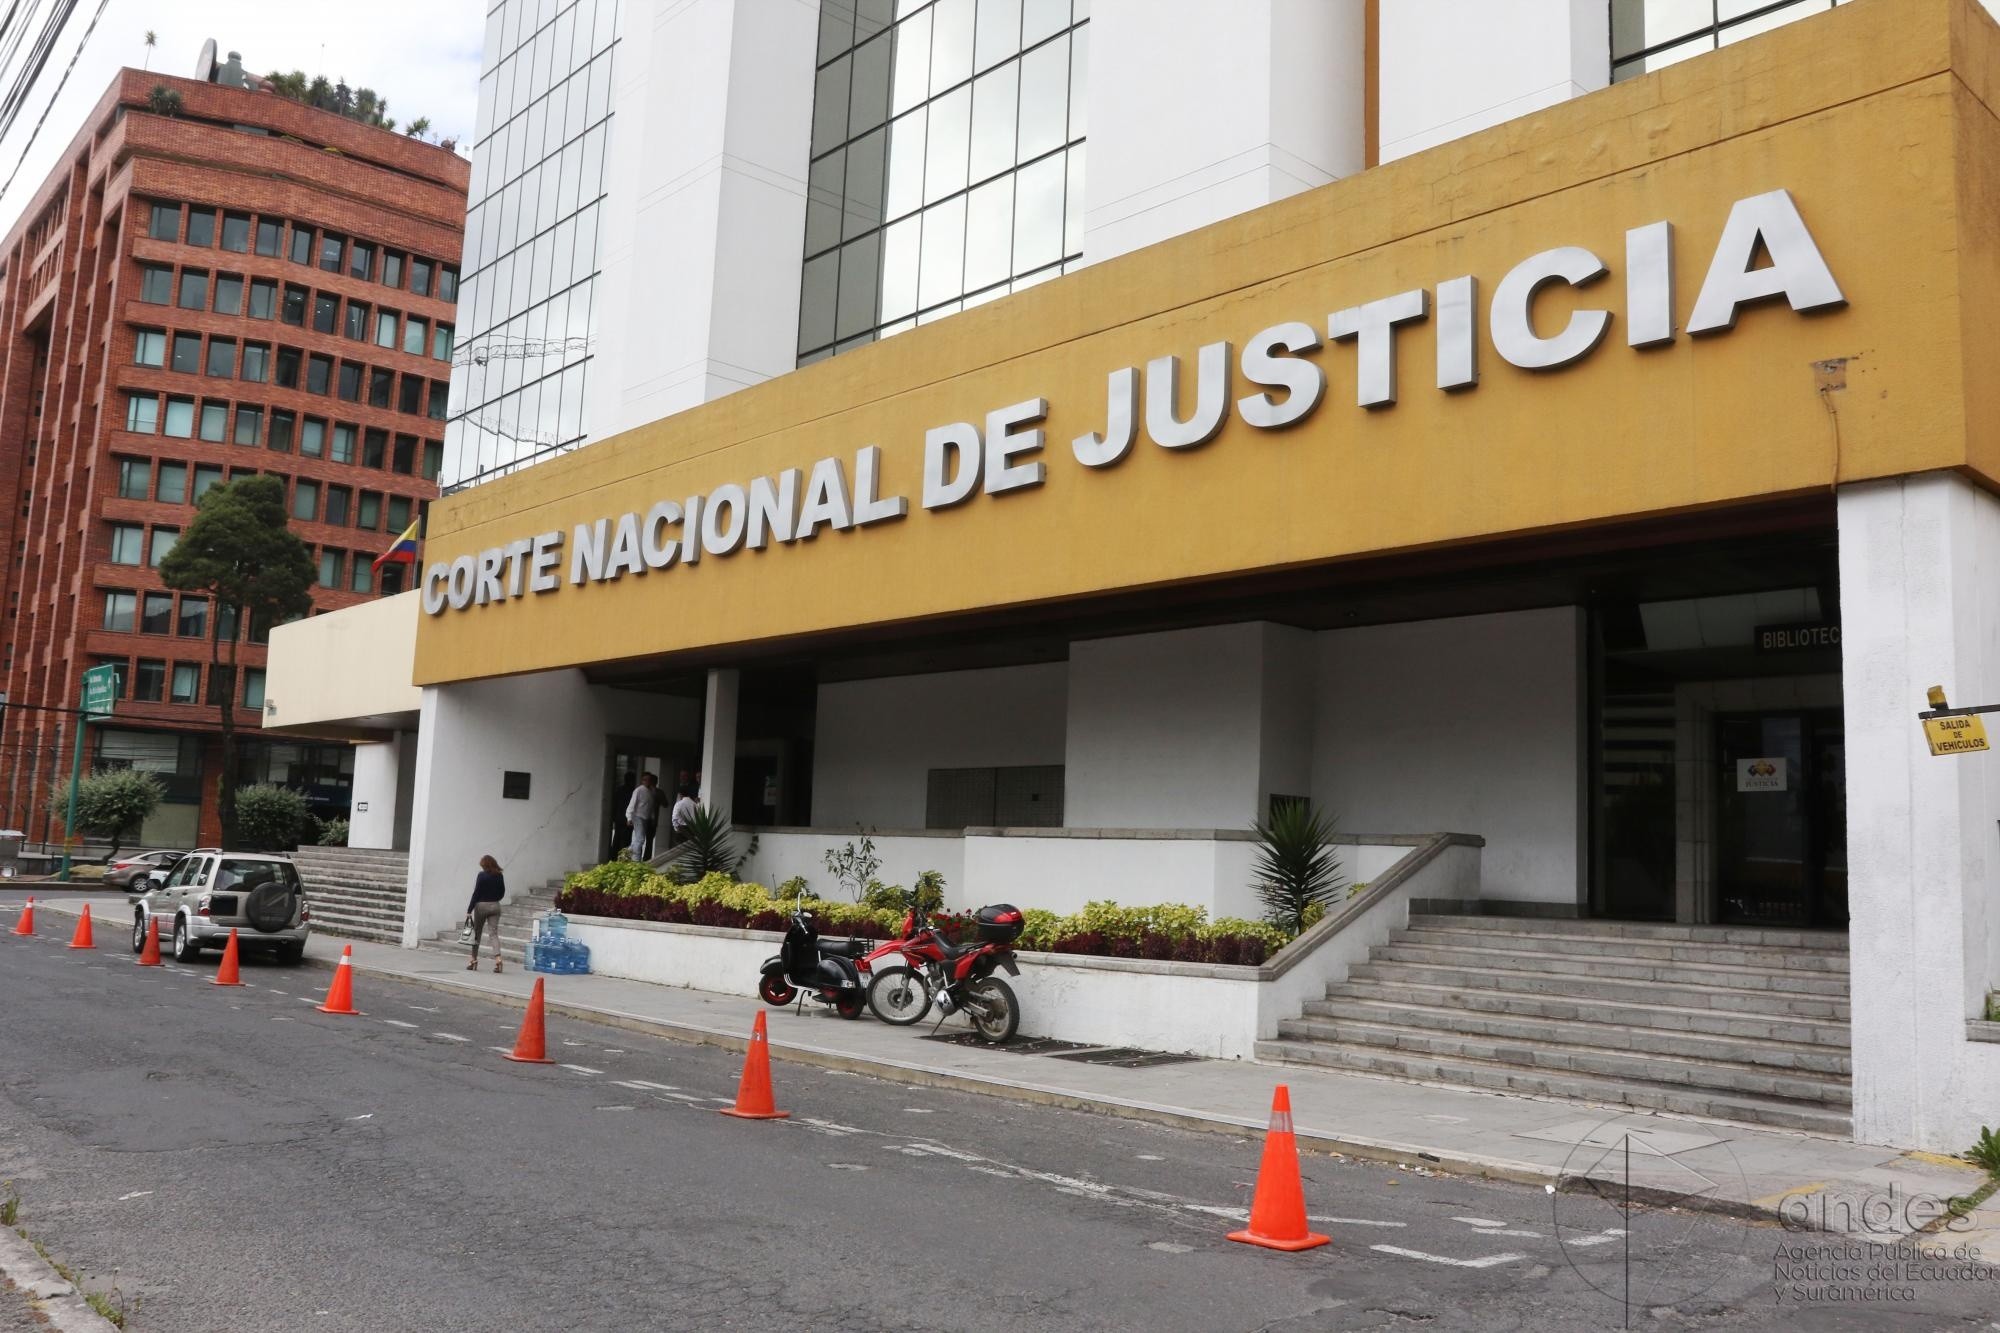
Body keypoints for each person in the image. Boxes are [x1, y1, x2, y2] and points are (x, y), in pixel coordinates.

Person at [466, 854, 506, 973]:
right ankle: (498, 958)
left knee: (477, 933)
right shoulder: (499, 875)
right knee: (493, 933)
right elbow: (502, 892)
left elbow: (476, 893)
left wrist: (469, 910)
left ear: (484, 865)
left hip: (481, 906)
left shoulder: (481, 875)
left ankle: (473, 960)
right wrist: (495, 899)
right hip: (495, 906)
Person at [625, 772, 659, 859]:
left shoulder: (652, 791)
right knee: (640, 839)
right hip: (637, 816)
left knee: (637, 839)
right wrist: (629, 817)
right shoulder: (638, 790)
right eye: (645, 780)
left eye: (649, 780)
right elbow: (632, 804)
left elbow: (651, 806)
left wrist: (652, 817)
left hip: (645, 818)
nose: (647, 781)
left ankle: (626, 854)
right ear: (642, 780)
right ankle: (635, 859)